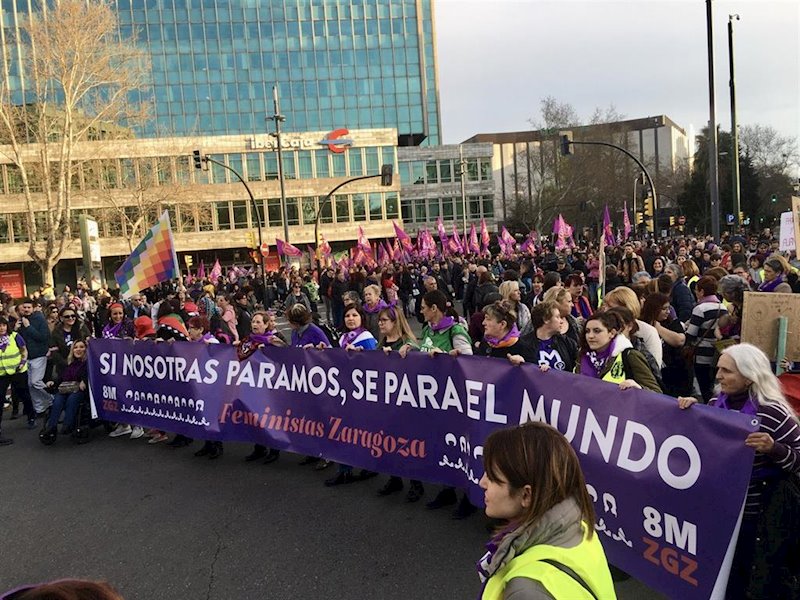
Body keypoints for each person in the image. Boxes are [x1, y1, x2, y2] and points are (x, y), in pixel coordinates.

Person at [678, 344, 800, 599]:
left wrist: (773, 448)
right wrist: (690, 413)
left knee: (754, 581)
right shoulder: (713, 404)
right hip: (720, 513)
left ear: (748, 376)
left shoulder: (773, 413)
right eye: (718, 369)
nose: (719, 376)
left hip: (759, 518)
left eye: (727, 371)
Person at [477, 422, 615, 600]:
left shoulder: (527, 591)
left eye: (493, 477)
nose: (482, 482)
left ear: (526, 495)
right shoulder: (578, 526)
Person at [374, 304, 425, 502]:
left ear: (396, 322)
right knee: (388, 441)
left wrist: (411, 349)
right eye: (379, 320)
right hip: (386, 402)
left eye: (384, 320)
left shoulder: (407, 343)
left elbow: (421, 361)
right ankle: (394, 478)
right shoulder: (382, 344)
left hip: (404, 403)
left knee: (407, 444)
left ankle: (416, 484)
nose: (380, 323)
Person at [325, 303, 379, 487]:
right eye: (347, 315)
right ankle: (344, 470)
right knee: (343, 431)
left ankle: (370, 465)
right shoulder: (343, 339)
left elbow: (375, 367)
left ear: (361, 318)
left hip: (363, 392)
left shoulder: (367, 338)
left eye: (354, 315)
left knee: (363, 431)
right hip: (344, 390)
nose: (350, 318)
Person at [240, 311, 287, 464]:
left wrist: (269, 347)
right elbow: (239, 355)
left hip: (270, 385)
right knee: (255, 417)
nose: (255, 324)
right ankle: (259, 448)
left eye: (259, 322)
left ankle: (274, 449)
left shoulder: (273, 340)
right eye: (253, 321)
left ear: (266, 325)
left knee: (270, 418)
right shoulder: (248, 340)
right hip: (254, 384)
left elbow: (287, 354)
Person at [576, 311, 661, 392]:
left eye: (597, 331)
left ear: (612, 333)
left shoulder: (630, 356)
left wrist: (639, 388)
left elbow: (656, 393)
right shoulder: (583, 356)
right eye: (587, 331)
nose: (590, 336)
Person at [685, 276, 728, 402]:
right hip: (716, 353)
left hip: (701, 354)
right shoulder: (722, 307)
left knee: (704, 387)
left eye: (697, 290)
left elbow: (691, 334)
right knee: (714, 385)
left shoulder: (700, 309)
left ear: (702, 291)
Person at [640, 292, 690, 397]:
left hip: (676, 374)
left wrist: (658, 328)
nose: (668, 312)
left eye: (668, 308)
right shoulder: (642, 325)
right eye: (664, 309)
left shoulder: (673, 322)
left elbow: (680, 340)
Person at [41, 339, 88, 443]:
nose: (78, 349)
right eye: (76, 347)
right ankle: (51, 427)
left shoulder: (88, 363)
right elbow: (62, 378)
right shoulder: (70, 364)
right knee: (58, 399)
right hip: (66, 388)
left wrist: (84, 381)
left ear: (86, 349)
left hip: (80, 390)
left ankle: (68, 424)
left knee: (72, 398)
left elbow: (91, 376)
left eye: (81, 347)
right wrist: (53, 382)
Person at [15, 298, 52, 420]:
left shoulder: (39, 319)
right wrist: (16, 329)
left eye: (28, 307)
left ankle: (52, 399)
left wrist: (29, 327)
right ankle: (40, 408)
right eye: (24, 307)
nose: (26, 309)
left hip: (38, 355)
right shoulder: (21, 320)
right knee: (30, 385)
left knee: (35, 381)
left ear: (34, 308)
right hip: (26, 357)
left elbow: (43, 337)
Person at [0, 315, 35, 443]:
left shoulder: (14, 336)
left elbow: (24, 350)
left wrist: (22, 362)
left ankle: (31, 416)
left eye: (3, 325)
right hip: (2, 374)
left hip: (18, 371)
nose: (1, 328)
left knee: (24, 395)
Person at [523, 301, 578, 373]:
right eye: (557, 317)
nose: (561, 321)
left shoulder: (568, 343)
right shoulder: (524, 344)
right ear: (546, 319)